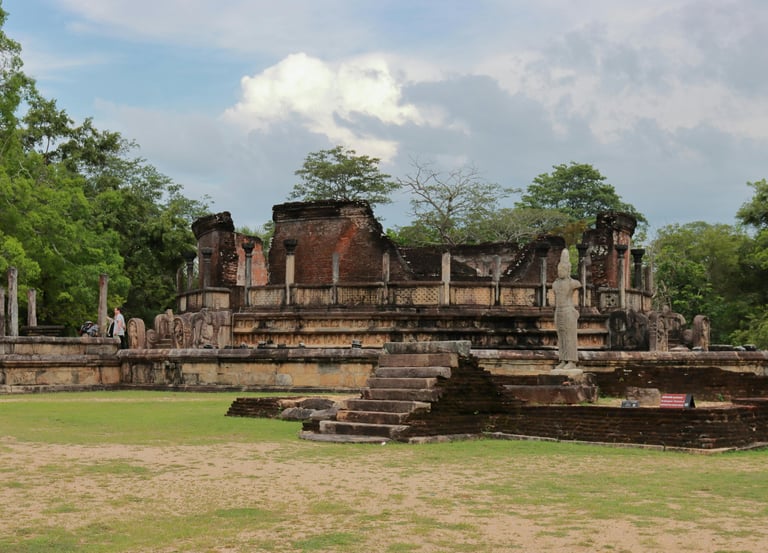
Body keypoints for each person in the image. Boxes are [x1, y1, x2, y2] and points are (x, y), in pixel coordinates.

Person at [552, 249, 581, 370]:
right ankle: (563, 359)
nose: (560, 272)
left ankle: (571, 360)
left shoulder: (573, 283)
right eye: (559, 270)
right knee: (561, 336)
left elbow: (579, 284)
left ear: (568, 270)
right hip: (559, 311)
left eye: (562, 270)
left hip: (569, 311)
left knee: (570, 336)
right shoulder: (555, 284)